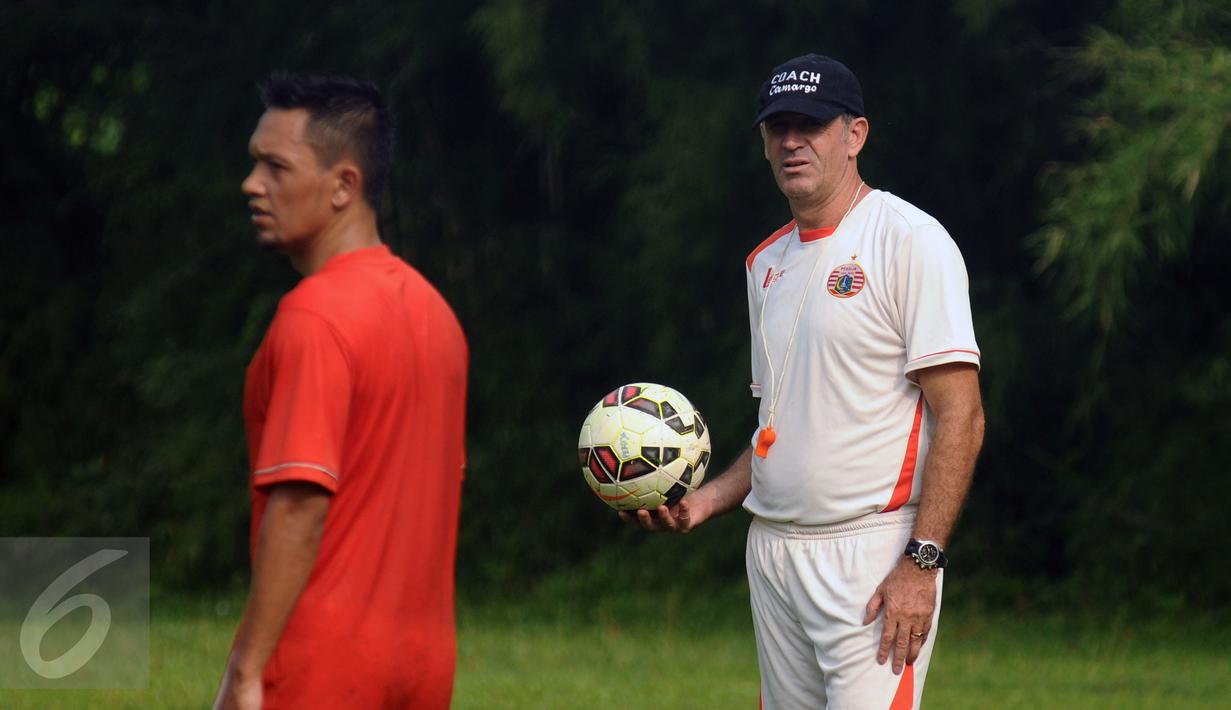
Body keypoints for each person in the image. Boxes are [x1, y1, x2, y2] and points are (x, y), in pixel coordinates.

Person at [622, 54, 984, 709]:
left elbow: (962, 415)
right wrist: (705, 501)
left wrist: (920, 562)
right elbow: (776, 430)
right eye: (777, 127)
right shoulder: (766, 263)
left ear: (855, 136)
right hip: (774, 554)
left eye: (811, 125)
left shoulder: (908, 241)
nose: (792, 141)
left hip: (871, 556)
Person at [214, 72, 469, 710]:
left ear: (343, 186)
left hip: (321, 664)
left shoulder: (314, 318)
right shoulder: (437, 315)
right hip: (424, 660)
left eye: (274, 167)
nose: (252, 184)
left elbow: (300, 503)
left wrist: (246, 667)